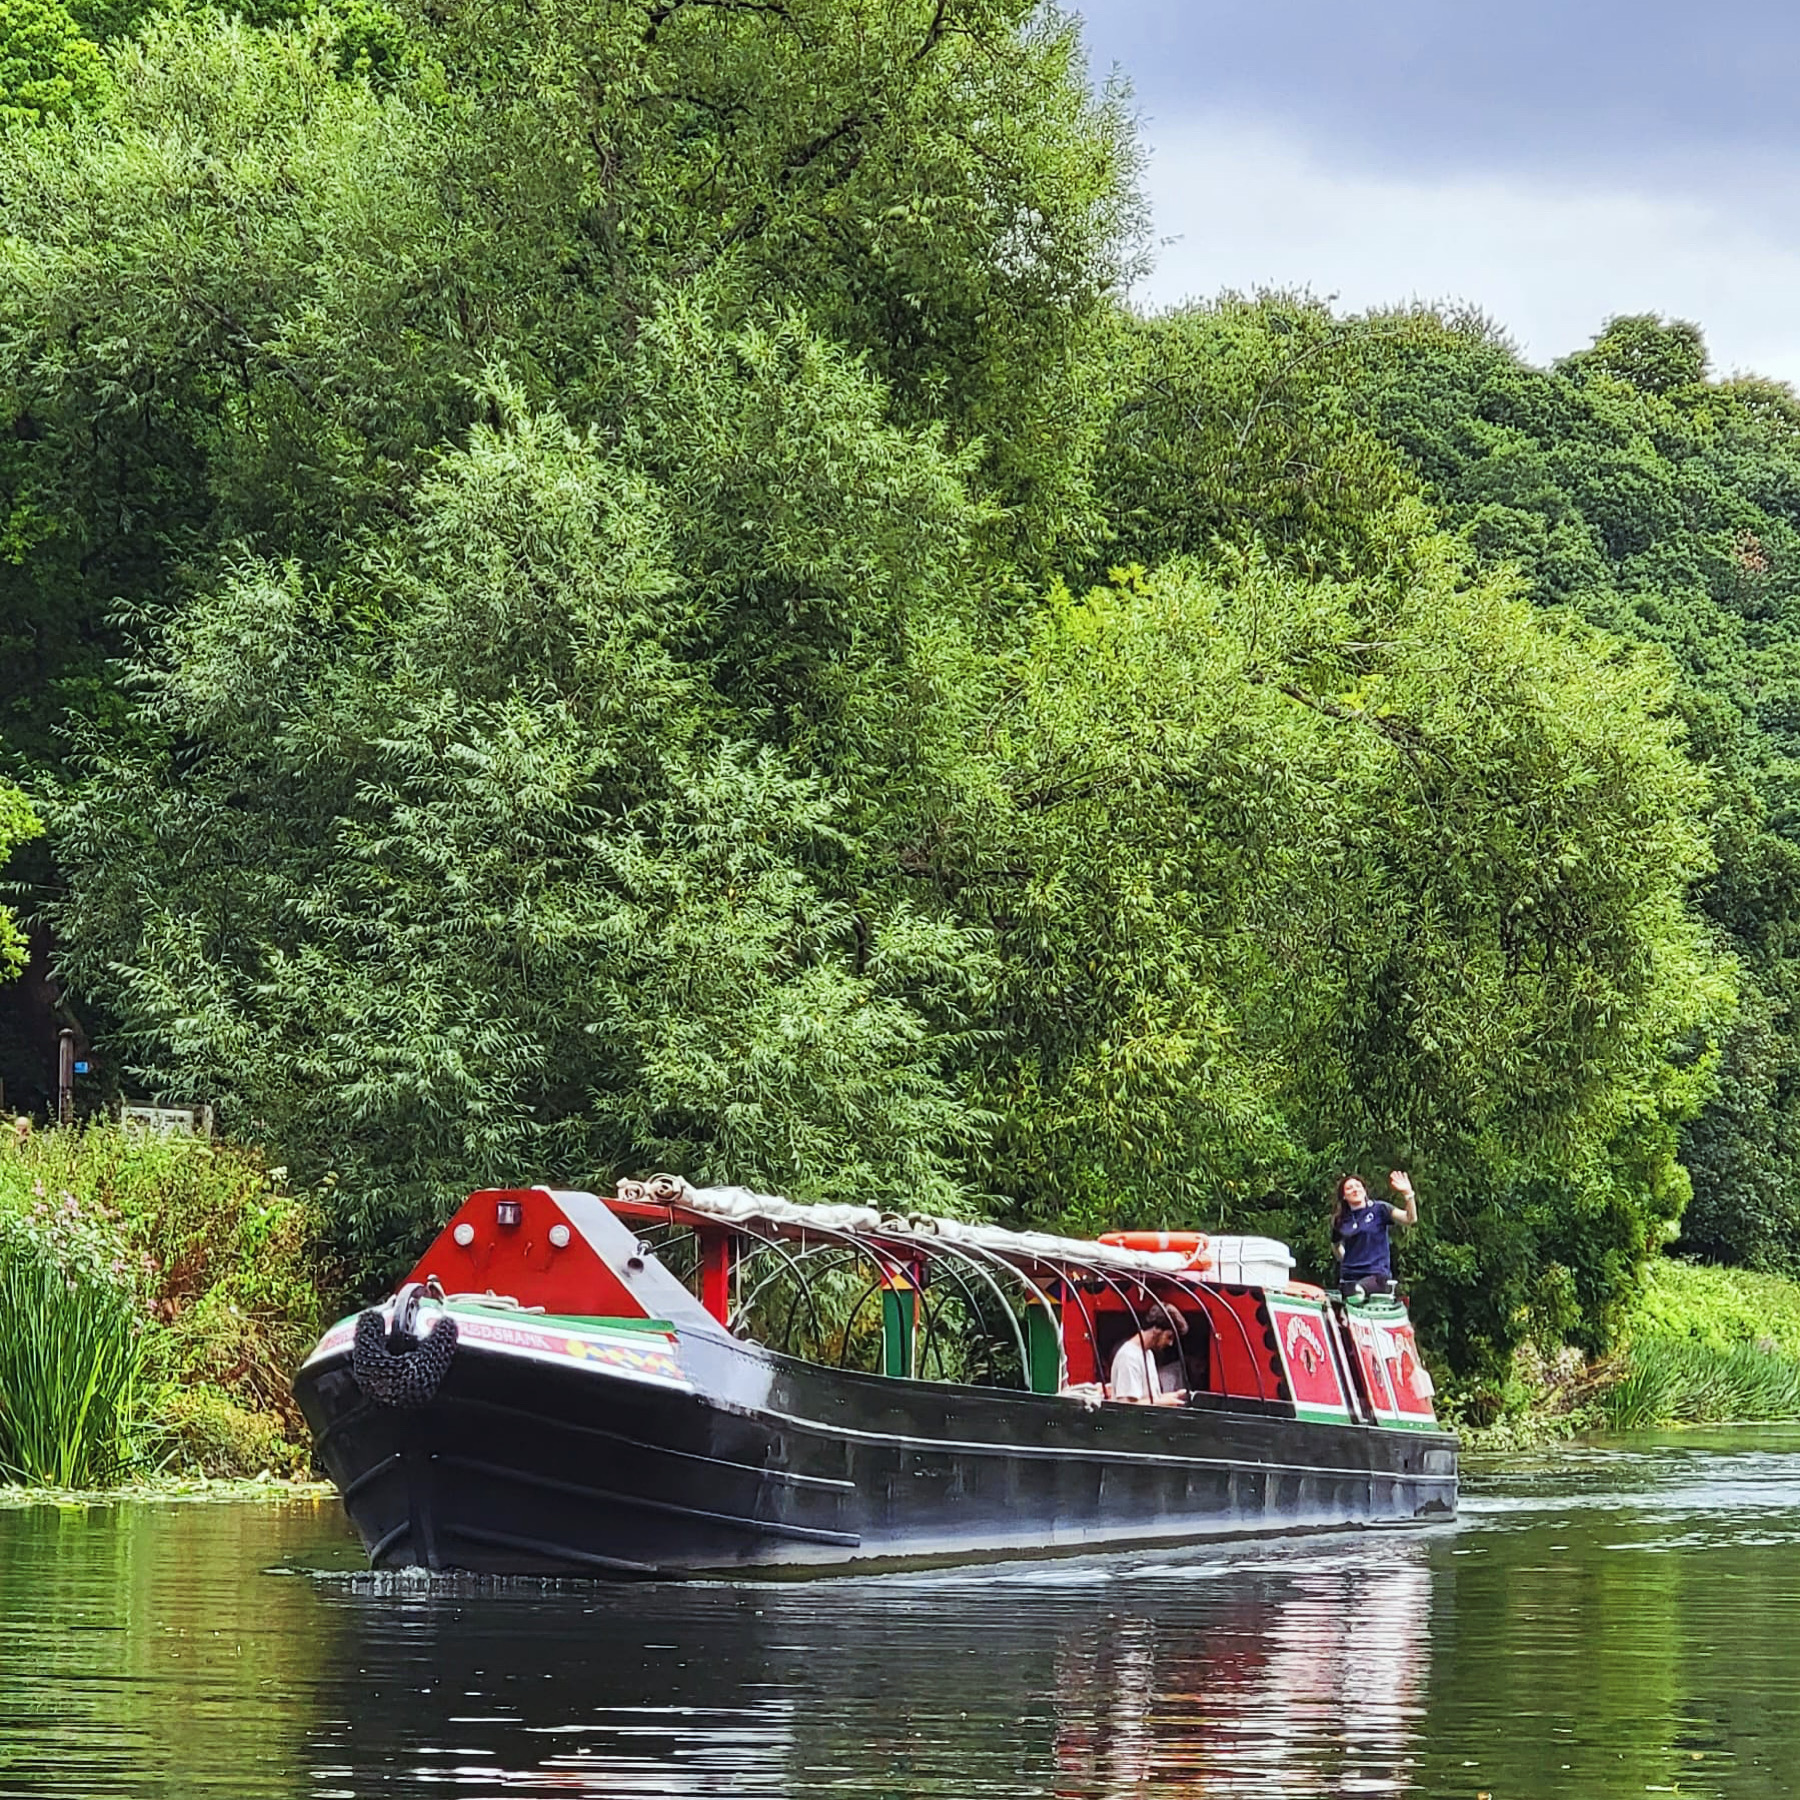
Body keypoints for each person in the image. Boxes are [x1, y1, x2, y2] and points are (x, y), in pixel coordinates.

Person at [1332, 1170, 1417, 1299]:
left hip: (1376, 1277)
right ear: (1344, 1196)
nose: (1355, 1190)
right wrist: (1345, 1259)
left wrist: (1408, 1194)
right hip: (1349, 1278)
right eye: (1349, 1188)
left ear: (1365, 1190)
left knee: (1358, 1292)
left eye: (1358, 1186)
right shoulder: (1340, 1220)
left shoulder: (1380, 1209)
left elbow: (1410, 1219)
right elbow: (1335, 1244)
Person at [1108, 1319, 1188, 1406]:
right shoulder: (1129, 1357)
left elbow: (1150, 1399)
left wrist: (1175, 1396)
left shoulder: (1148, 1354)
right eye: (1169, 1337)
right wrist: (1167, 1402)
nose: (1170, 1343)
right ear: (1156, 1330)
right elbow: (1127, 1406)